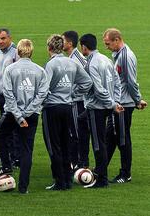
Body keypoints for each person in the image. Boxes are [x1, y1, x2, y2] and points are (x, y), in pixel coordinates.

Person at [0, 39, 49, 194]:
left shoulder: (10, 69)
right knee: (26, 149)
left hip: (12, 113)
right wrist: (27, 113)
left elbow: (8, 94)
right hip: (31, 116)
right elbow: (42, 94)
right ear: (31, 52)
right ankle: (23, 187)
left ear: (17, 52)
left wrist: (18, 116)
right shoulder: (40, 71)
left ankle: (6, 166)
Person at [42, 35, 92, 191]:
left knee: (53, 145)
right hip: (68, 107)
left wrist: (42, 101)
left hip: (52, 108)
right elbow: (87, 82)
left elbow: (44, 88)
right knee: (66, 144)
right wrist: (72, 93)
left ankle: (59, 181)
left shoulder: (50, 65)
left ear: (49, 48)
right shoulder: (71, 63)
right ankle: (68, 179)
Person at [103, 28, 147, 183]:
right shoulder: (118, 54)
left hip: (123, 105)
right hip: (118, 103)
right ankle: (101, 169)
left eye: (108, 44)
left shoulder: (126, 56)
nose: (107, 47)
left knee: (122, 139)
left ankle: (125, 173)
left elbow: (130, 81)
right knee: (110, 136)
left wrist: (137, 100)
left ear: (117, 40)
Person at [79, 33, 124, 188]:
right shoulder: (105, 59)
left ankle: (101, 179)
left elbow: (98, 90)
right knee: (85, 126)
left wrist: (112, 104)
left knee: (98, 144)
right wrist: (115, 101)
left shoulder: (91, 65)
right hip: (106, 107)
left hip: (97, 108)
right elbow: (117, 82)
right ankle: (98, 171)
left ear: (84, 47)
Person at [0, 28, 20, 167]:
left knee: (13, 129)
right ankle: (10, 157)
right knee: (4, 129)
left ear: (10, 38)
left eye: (3, 38)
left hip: (11, 98)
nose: (0, 41)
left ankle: (16, 158)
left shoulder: (16, 53)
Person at [62, 30, 91, 170]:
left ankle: (81, 162)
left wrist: (75, 94)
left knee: (77, 132)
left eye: (63, 40)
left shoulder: (77, 59)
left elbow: (88, 80)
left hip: (78, 101)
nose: (61, 43)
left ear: (70, 43)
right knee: (73, 132)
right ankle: (77, 161)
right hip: (74, 100)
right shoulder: (71, 57)